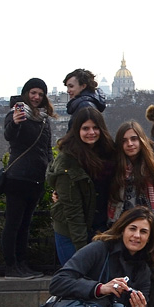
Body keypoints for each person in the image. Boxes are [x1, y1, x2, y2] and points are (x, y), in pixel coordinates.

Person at [47, 107, 116, 264]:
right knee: (78, 281)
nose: (91, 132)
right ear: (76, 130)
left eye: (95, 128)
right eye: (85, 128)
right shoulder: (67, 161)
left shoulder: (109, 153)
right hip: (71, 233)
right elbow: (73, 210)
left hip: (101, 227)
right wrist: (82, 249)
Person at [2, 78, 54, 278]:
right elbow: (9, 136)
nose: (36, 97)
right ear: (25, 93)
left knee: (25, 225)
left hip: (36, 178)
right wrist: (14, 123)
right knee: (13, 224)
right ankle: (11, 266)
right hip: (18, 177)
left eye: (40, 94)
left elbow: (46, 148)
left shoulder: (42, 119)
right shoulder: (16, 114)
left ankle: (22, 264)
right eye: (33, 93)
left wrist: (49, 169)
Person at [108, 121, 154, 228]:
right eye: (124, 141)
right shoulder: (113, 167)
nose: (130, 144)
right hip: (121, 224)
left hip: (151, 224)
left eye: (134, 139)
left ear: (141, 140)